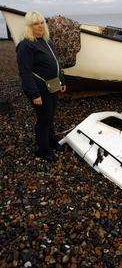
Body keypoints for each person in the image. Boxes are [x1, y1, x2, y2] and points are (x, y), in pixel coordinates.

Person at [16, 11, 66, 162]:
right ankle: (42, 150)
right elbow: (25, 73)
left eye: (42, 23)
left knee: (50, 116)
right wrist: (33, 94)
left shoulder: (47, 42)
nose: (40, 26)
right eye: (36, 24)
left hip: (52, 86)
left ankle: (51, 142)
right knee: (44, 119)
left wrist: (62, 81)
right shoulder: (25, 46)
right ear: (29, 27)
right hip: (39, 88)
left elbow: (57, 64)